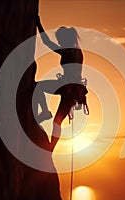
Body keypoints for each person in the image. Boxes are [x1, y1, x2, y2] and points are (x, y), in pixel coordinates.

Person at [34, 16, 87, 151]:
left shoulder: (68, 51)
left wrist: (39, 25)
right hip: (74, 90)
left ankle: (45, 112)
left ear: (65, 39)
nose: (58, 41)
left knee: (38, 86)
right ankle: (51, 148)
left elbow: (47, 43)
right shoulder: (78, 51)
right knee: (57, 122)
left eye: (60, 39)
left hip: (66, 86)